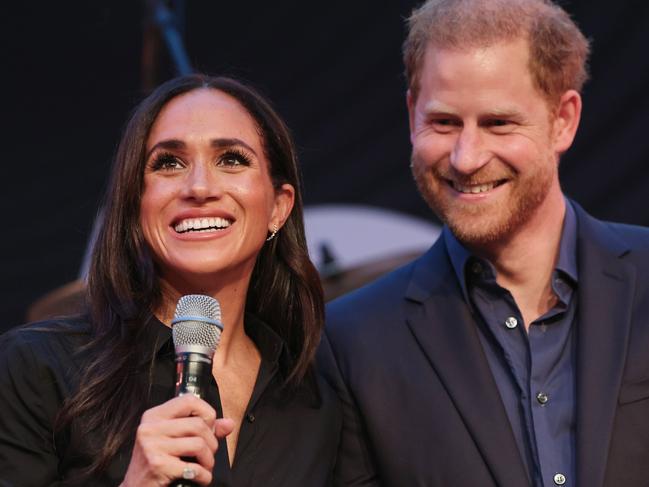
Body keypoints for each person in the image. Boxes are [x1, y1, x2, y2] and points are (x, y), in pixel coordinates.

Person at [319, 0, 649, 486]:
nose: (466, 157)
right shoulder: (353, 343)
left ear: (564, 120)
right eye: (444, 123)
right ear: (412, 114)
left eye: (498, 123)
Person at [0, 74, 341, 486]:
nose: (199, 187)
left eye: (232, 159)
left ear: (278, 207)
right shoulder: (36, 369)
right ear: (135, 205)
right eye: (168, 163)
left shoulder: (318, 397)